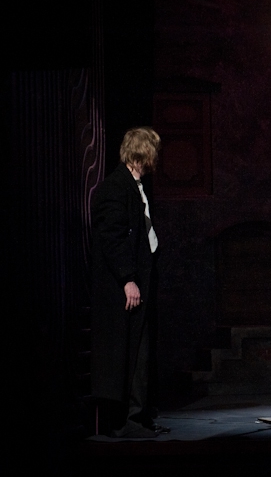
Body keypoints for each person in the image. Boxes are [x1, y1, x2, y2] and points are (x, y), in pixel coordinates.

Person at [91, 127, 168, 437]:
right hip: (123, 289)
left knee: (142, 352)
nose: (157, 158)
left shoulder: (135, 187)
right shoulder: (115, 187)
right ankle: (127, 421)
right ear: (144, 153)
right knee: (128, 353)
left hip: (141, 284)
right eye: (154, 152)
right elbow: (112, 238)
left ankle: (141, 416)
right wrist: (128, 279)